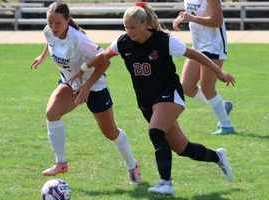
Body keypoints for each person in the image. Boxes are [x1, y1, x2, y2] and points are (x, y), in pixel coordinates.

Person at [67, 2, 235, 196]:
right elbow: (103, 55)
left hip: (169, 94)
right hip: (147, 102)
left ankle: (166, 183)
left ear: (145, 24)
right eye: (126, 27)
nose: (129, 31)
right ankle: (218, 157)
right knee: (182, 148)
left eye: (133, 27)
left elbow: (193, 53)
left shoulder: (164, 41)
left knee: (155, 132)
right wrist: (82, 69)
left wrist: (218, 70)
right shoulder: (123, 42)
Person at [29, 1, 141, 185]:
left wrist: (88, 85)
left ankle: (131, 165)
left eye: (58, 23)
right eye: (50, 22)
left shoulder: (79, 39)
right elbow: (51, 40)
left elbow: (105, 62)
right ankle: (61, 163)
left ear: (67, 21)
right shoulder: (49, 31)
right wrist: (42, 57)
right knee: (51, 113)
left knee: (110, 132)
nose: (53, 27)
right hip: (70, 83)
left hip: (94, 86)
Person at [172, 0, 235, 135]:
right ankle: (223, 105)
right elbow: (193, 13)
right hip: (198, 45)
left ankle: (226, 126)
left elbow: (217, 21)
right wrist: (182, 17)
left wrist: (192, 18)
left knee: (207, 88)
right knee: (186, 86)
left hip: (214, 45)